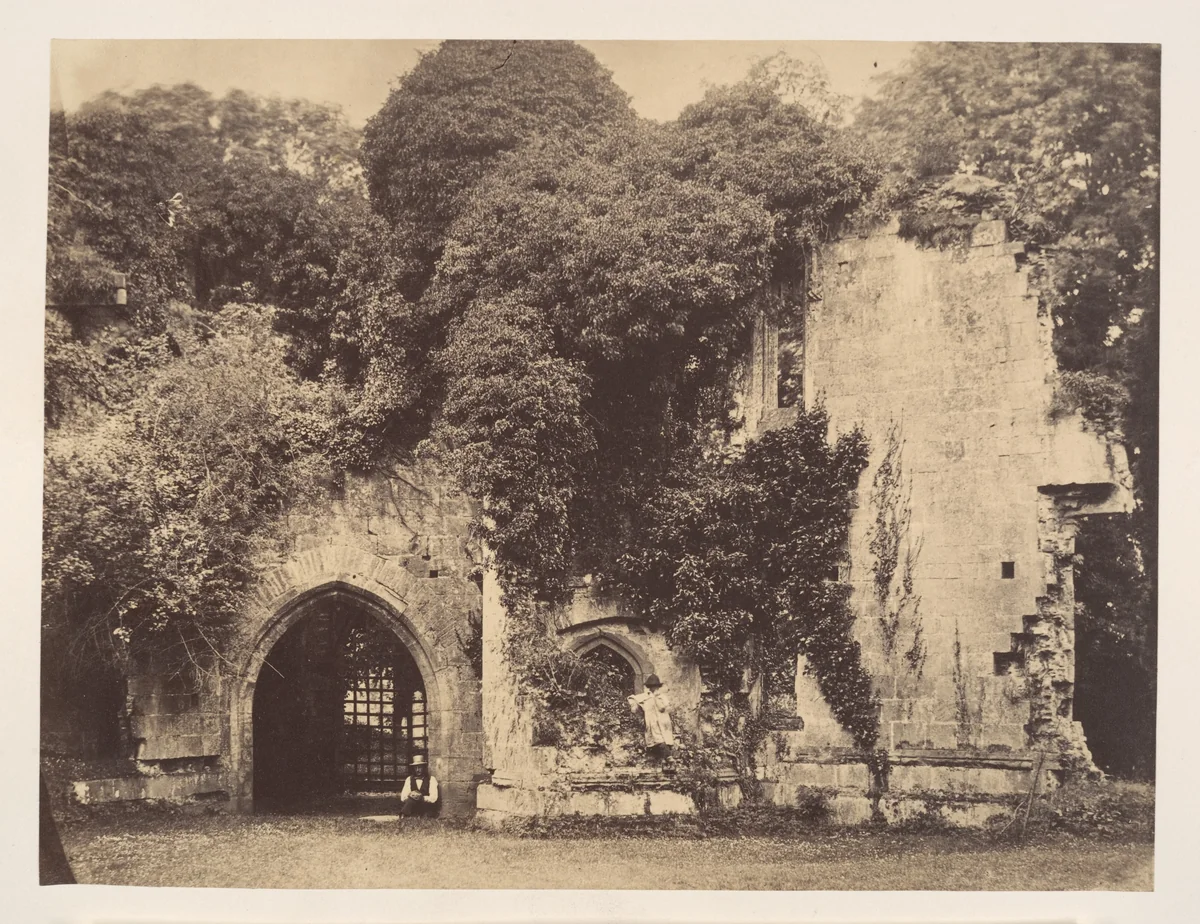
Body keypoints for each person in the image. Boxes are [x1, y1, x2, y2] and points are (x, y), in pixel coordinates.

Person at [628, 674, 676, 760]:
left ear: (658, 687)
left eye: (655, 686)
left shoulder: (662, 697)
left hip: (663, 721)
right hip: (652, 721)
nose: (653, 688)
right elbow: (632, 698)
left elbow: (663, 708)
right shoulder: (646, 696)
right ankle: (666, 757)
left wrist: (656, 698)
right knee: (656, 738)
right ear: (649, 687)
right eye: (652, 686)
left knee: (665, 738)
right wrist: (634, 705)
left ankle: (668, 758)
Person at [398, 754, 440, 819]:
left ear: (424, 767)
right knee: (412, 798)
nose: (417, 770)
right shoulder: (409, 779)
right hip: (413, 807)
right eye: (416, 768)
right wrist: (412, 796)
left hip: (426, 807)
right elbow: (403, 797)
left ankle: (404, 814)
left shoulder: (431, 779)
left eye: (420, 767)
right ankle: (408, 815)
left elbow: (434, 798)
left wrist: (421, 798)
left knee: (418, 799)